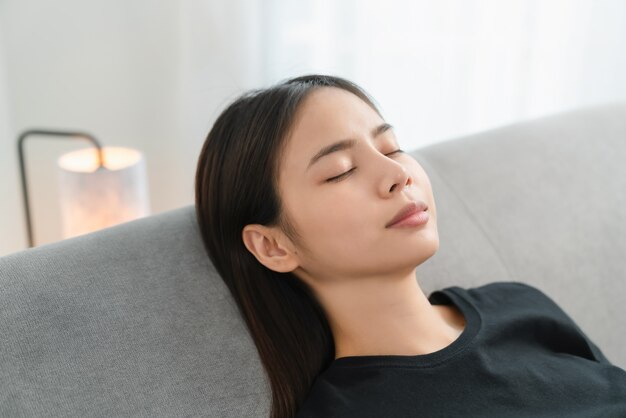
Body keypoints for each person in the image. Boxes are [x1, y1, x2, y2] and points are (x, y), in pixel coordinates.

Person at [194, 74, 626, 418]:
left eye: (392, 147)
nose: (396, 174)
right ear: (273, 246)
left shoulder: (518, 304)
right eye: (340, 171)